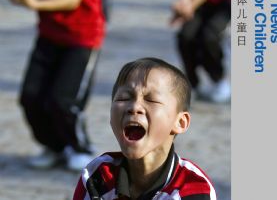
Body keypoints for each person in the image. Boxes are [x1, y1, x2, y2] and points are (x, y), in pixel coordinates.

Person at [5, 0, 105, 171]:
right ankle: (54, 147)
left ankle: (81, 147)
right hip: (49, 33)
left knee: (63, 100)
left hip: (82, 36)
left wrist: (34, 2)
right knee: (30, 98)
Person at [73, 57, 217, 199]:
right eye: (123, 98)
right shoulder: (98, 176)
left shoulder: (193, 189)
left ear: (180, 122)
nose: (134, 107)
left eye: (151, 100)